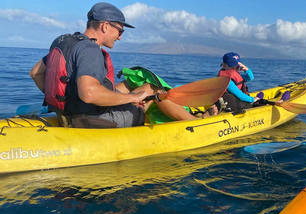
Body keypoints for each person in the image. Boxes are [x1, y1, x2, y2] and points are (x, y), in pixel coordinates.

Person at [29, 2, 212, 128]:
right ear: (105, 26)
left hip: (68, 115)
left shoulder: (66, 42)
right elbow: (89, 93)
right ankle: (195, 122)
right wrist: (133, 99)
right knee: (154, 93)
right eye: (120, 30)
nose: (120, 36)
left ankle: (148, 96)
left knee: (148, 86)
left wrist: (66, 101)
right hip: (92, 121)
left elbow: (36, 73)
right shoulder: (90, 49)